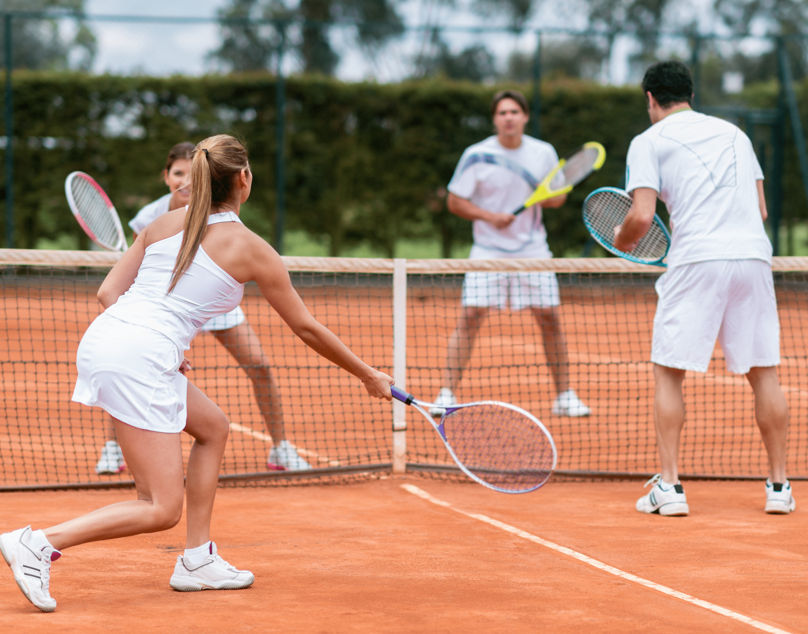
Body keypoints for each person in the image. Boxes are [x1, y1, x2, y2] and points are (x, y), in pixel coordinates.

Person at [0, 134, 393, 612]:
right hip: (137, 356)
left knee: (213, 427)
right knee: (159, 507)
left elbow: (107, 294)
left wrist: (164, 345)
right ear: (244, 179)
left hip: (115, 341)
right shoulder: (251, 248)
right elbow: (306, 328)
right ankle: (37, 543)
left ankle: (197, 559)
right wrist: (368, 374)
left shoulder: (164, 223)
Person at [614, 60, 794, 516]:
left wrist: (619, 241)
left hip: (696, 260)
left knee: (669, 372)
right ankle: (779, 488)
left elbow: (639, 216)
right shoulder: (735, 134)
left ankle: (670, 486)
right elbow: (761, 209)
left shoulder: (647, 141)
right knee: (764, 371)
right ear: (689, 95)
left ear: (650, 99)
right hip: (753, 256)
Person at [95, 142, 311, 475]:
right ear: (166, 177)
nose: (184, 181)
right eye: (177, 174)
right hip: (165, 308)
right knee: (135, 368)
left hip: (215, 296)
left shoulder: (223, 216)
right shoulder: (151, 218)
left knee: (260, 365)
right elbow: (135, 275)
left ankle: (281, 447)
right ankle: (113, 448)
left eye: (190, 173)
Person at [430, 89, 590, 418]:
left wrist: (542, 197)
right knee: (470, 317)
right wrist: (491, 217)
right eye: (502, 113)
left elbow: (557, 198)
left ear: (525, 117)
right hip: (487, 250)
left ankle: (564, 396)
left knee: (550, 319)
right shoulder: (476, 155)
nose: (509, 118)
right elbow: (455, 201)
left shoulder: (543, 153)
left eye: (514, 112)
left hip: (533, 249)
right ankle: (446, 394)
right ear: (494, 119)